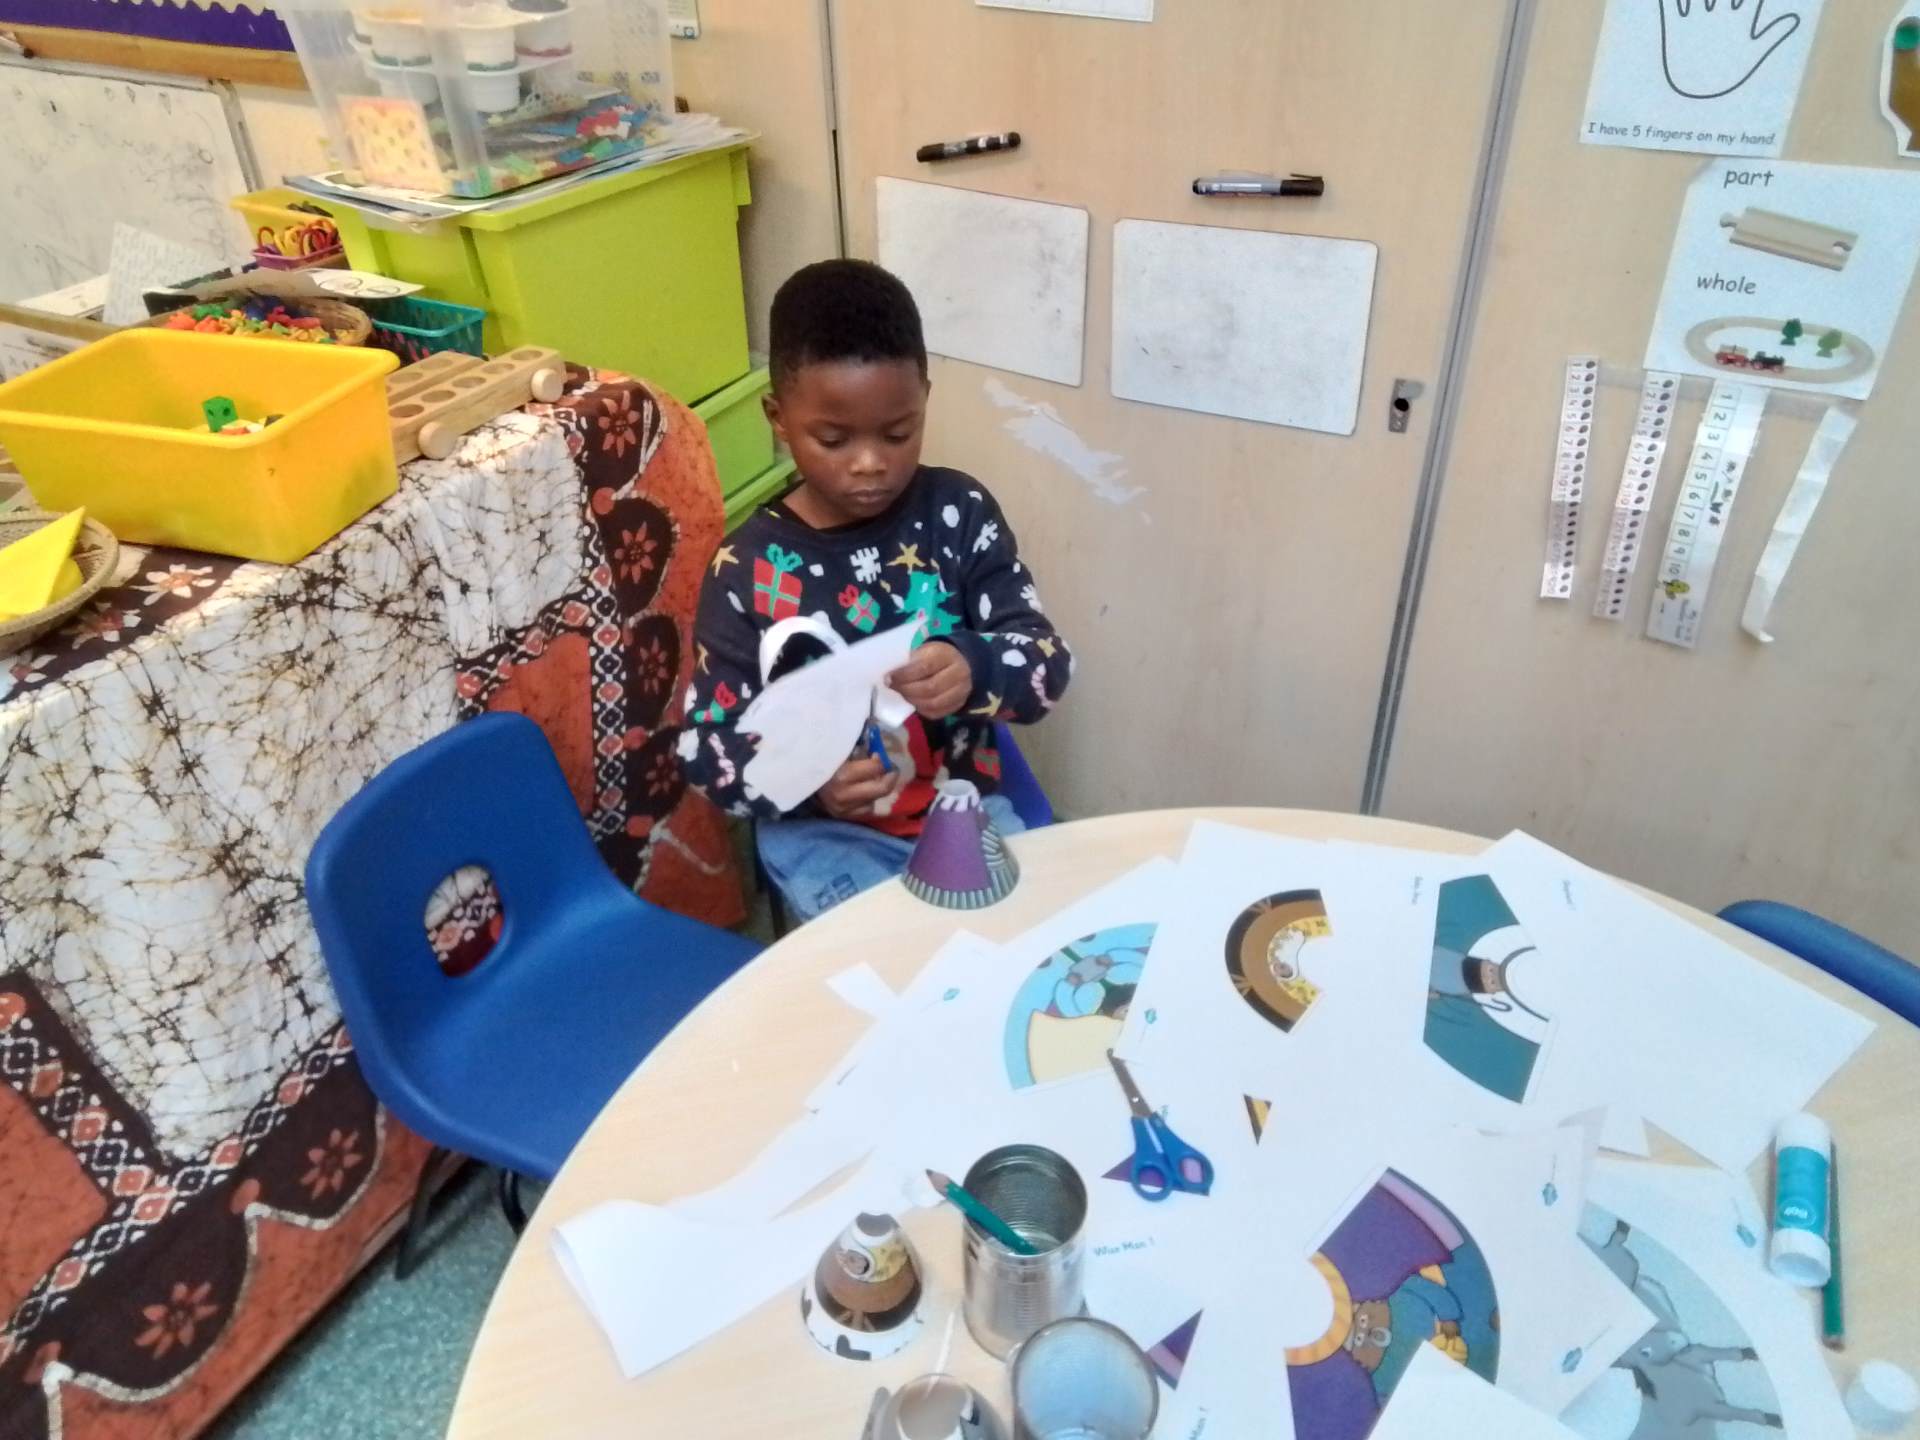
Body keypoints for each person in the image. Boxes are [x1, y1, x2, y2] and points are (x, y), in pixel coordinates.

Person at [679, 259, 1073, 921]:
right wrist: (811, 784)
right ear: (777, 417)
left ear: (924, 399)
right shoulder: (747, 570)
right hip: (828, 837)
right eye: (833, 439)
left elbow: (1048, 666)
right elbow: (707, 748)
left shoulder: (958, 514)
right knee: (890, 961)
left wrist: (975, 665)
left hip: (963, 810)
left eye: (898, 433)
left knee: (1024, 939)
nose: (870, 463)